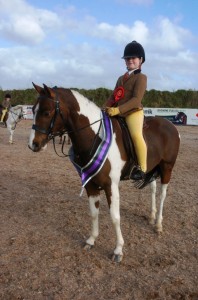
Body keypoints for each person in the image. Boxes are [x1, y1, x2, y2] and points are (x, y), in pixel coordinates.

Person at [104, 41, 147, 180]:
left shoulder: (141, 77)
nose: (130, 60)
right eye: (128, 58)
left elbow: (136, 100)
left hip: (133, 112)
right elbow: (113, 96)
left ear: (140, 60)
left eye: (133, 58)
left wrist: (117, 110)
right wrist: (104, 108)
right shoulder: (120, 79)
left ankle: (142, 168)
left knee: (136, 136)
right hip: (117, 111)